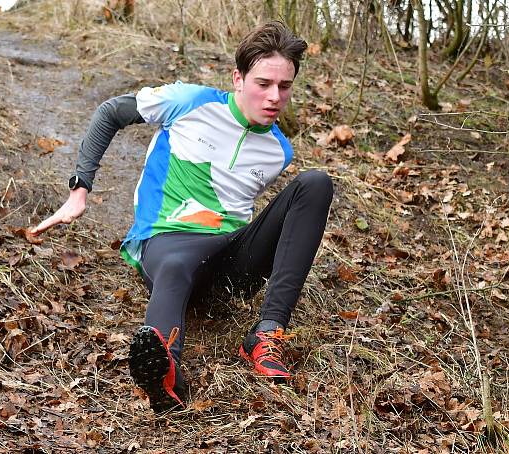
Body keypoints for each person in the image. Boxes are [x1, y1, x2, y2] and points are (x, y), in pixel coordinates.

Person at [30, 21, 333, 413]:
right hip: (167, 243)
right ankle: (163, 368)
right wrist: (79, 189)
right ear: (237, 79)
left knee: (316, 183)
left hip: (228, 262)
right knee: (175, 264)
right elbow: (110, 113)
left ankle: (267, 333)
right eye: (263, 84)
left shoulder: (279, 151)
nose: (274, 97)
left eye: (285, 87)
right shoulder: (189, 102)